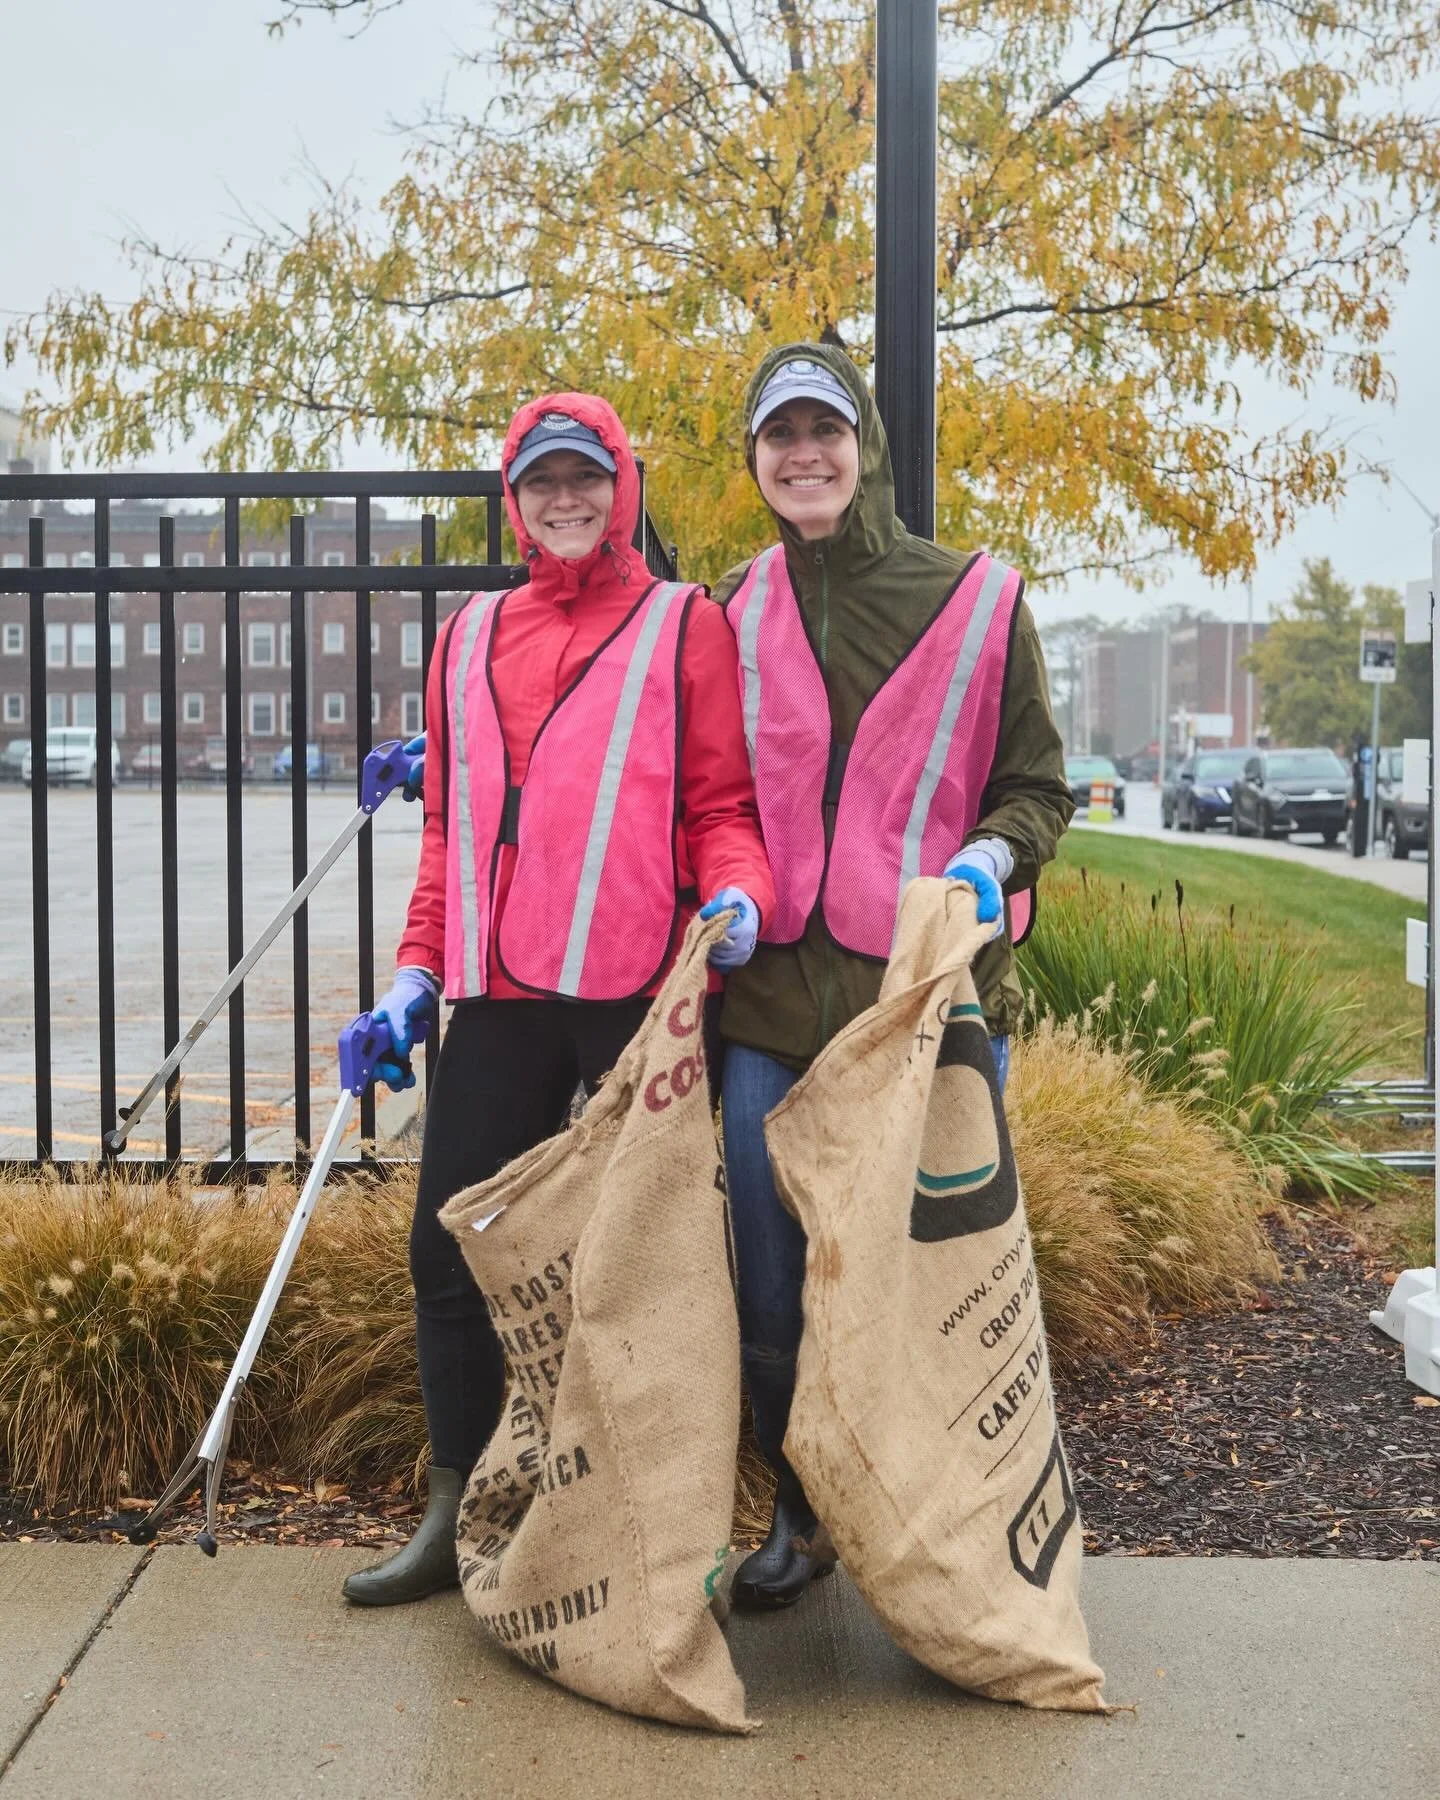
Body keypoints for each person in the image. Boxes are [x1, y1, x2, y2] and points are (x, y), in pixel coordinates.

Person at [341, 394, 774, 1607]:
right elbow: (446, 835)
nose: (566, 498)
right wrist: (416, 974)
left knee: (633, 1276)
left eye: (587, 476)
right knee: (452, 1249)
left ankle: (632, 1534)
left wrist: (736, 898)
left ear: (622, 485)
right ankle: (456, 1512)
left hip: (633, 1002)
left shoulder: (684, 625)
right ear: (514, 499)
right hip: (497, 1001)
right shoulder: (466, 634)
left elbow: (722, 807)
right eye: (543, 482)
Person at [712, 345, 1074, 1609]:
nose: (803, 454)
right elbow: (686, 785)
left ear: (862, 442)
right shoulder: (728, 609)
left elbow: (1039, 785)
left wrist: (988, 857)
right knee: (771, 1284)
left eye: (825, 429)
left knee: (930, 1290)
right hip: (767, 1012)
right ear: (755, 459)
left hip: (926, 1009)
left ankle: (946, 1540)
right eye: (779, 435)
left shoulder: (978, 599)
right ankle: (803, 1516)